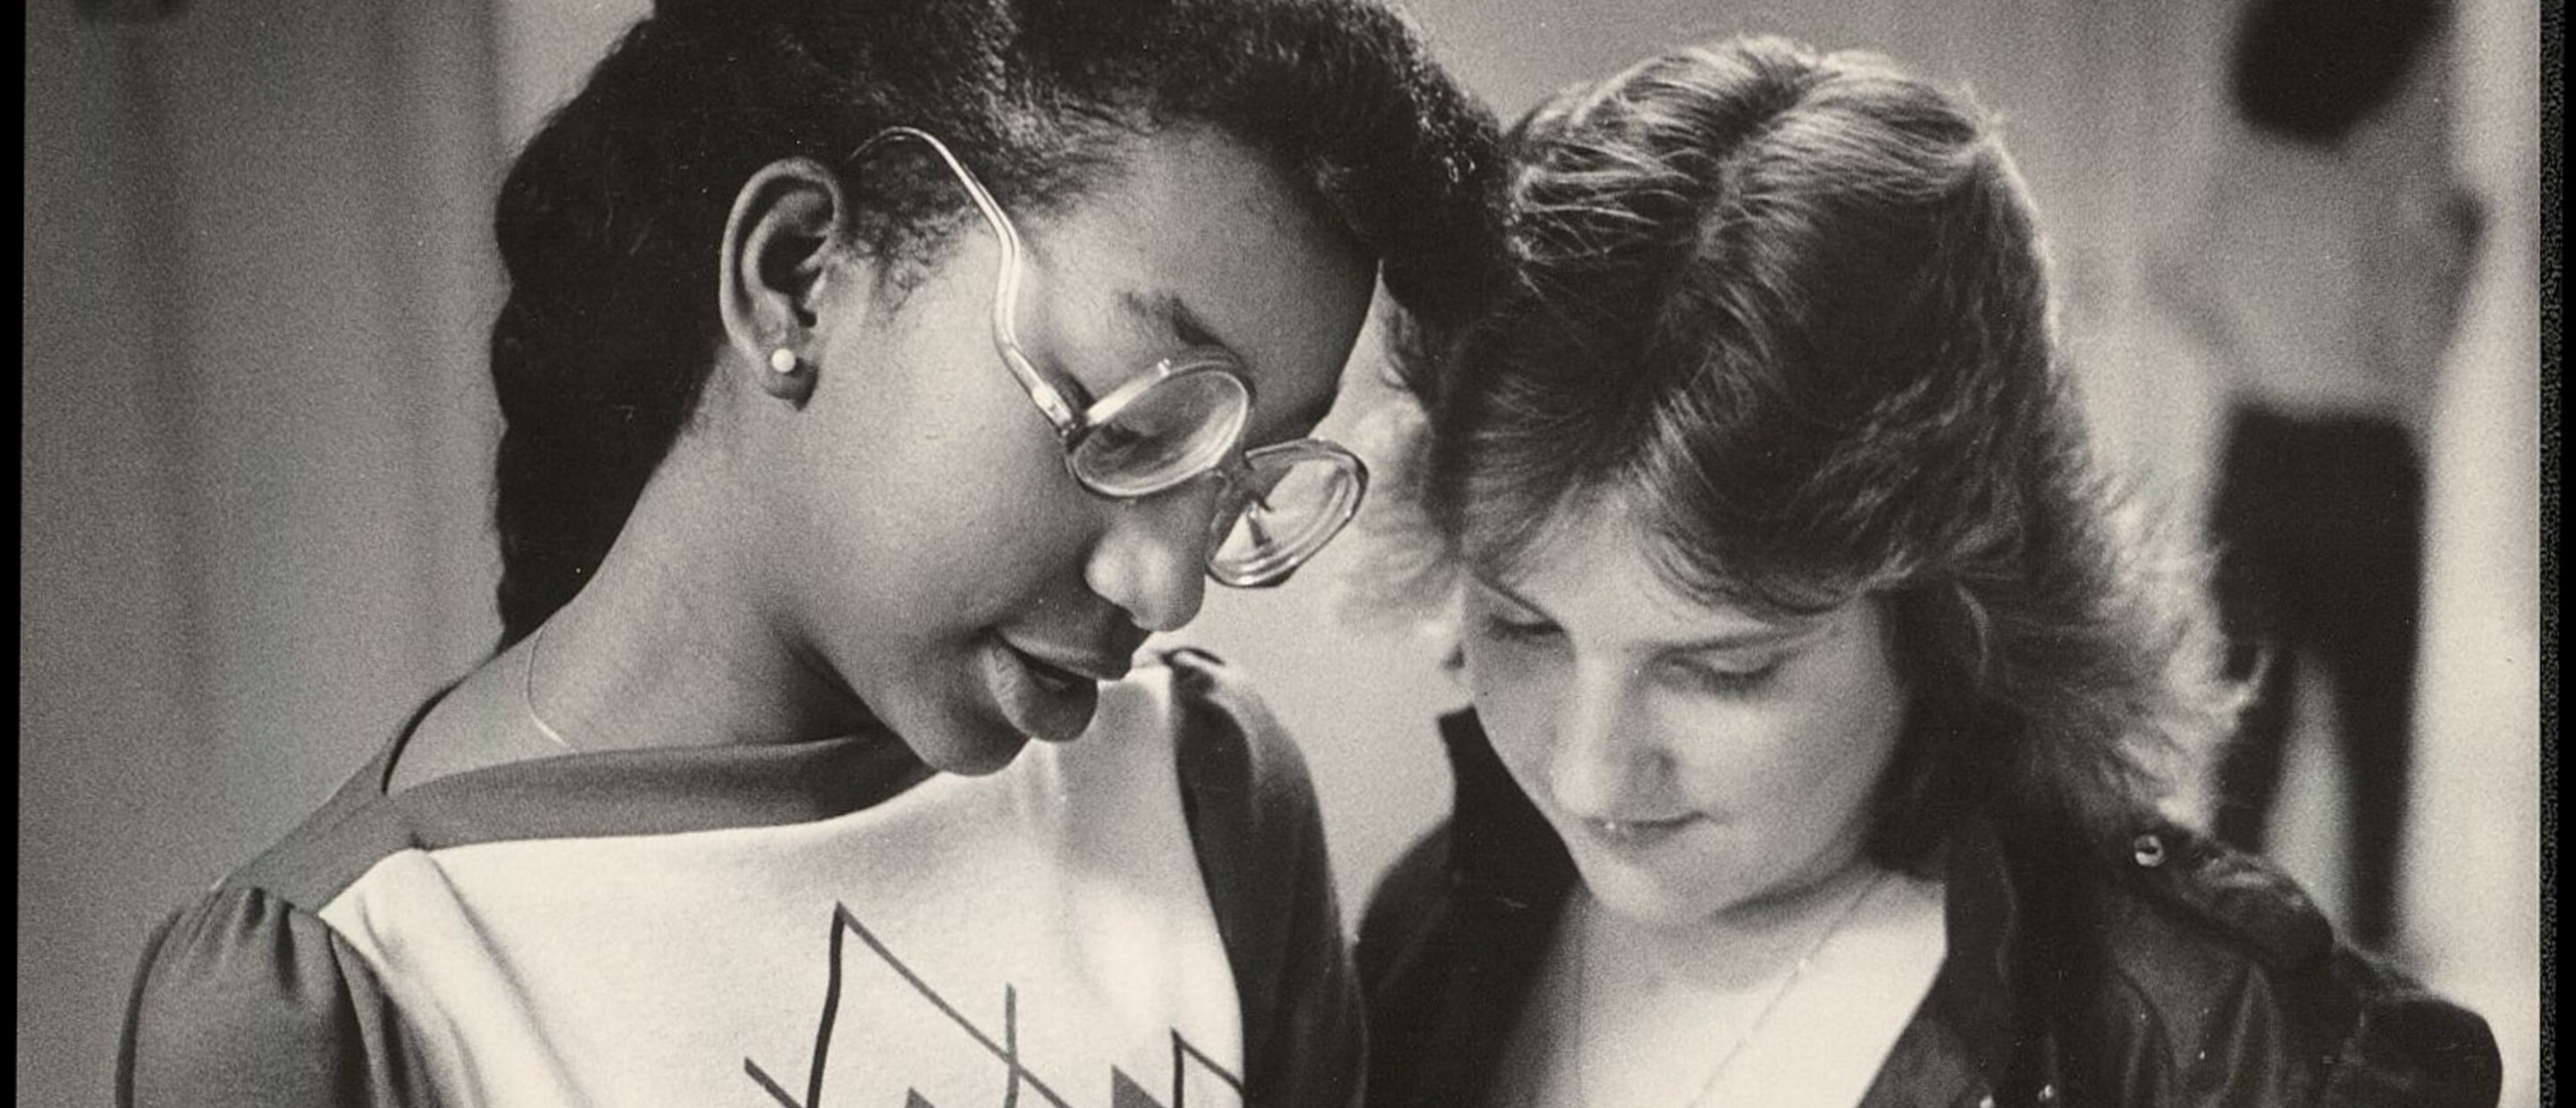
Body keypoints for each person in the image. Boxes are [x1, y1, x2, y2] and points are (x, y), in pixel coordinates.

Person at [116, 1, 1498, 1104]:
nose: (1165, 587)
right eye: (1136, 422)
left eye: (1240, 480)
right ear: (795, 274)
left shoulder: (1202, 790)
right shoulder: (344, 993)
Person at [1352, 36, 2501, 1107]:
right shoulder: (1435, 918)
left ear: (1952, 606)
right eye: (1522, 626)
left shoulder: (2224, 1044)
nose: (1589, 775)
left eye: (1722, 669)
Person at [2160, 0, 2484, 951]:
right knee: (2374, 740)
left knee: (2247, 735)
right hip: (2362, 466)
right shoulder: (2375, 181)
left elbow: (2175, 284)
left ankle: (2215, 951)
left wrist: (2262, 342)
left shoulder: (2241, 175)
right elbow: (2414, 350)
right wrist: (2462, 259)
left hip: (2257, 455)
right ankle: (2373, 959)